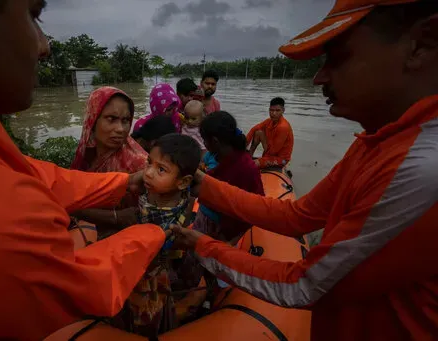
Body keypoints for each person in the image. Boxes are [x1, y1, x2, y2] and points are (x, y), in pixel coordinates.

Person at [171, 1, 438, 340]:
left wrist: (202, 245)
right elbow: (298, 216)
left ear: (420, 46)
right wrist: (202, 184)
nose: (318, 78)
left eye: (338, 57)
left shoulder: (420, 168)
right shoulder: (375, 140)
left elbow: (306, 285)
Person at [0, 1, 168, 340]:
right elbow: (80, 284)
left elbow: (39, 175)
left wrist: (127, 182)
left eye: (126, 120)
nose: (44, 45)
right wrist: (156, 231)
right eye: (33, 15)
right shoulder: (1, 217)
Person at [112, 133, 201, 338]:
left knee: (146, 316)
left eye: (161, 169)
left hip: (150, 275)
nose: (149, 173)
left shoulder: (168, 219)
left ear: (183, 182)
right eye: (149, 163)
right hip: (140, 263)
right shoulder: (157, 188)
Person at [177, 111, 265, 289]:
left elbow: (256, 207)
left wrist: (232, 239)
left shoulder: (246, 167)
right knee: (194, 257)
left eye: (204, 139)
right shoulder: (216, 158)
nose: (204, 143)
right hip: (205, 216)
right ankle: (192, 287)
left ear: (214, 141)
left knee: (213, 260)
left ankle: (206, 291)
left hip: (223, 226)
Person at [69, 87, 148, 242]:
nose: (120, 129)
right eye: (111, 119)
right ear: (92, 120)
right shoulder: (87, 154)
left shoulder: (139, 163)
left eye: (125, 121)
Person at [247, 97, 294, 170]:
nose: (274, 113)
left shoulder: (283, 127)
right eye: (271, 110)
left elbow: (273, 152)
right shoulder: (269, 121)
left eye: (277, 110)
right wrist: (242, 146)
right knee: (258, 132)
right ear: (269, 110)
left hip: (281, 159)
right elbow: (253, 129)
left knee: (249, 165)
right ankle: (249, 156)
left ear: (283, 110)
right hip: (270, 151)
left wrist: (260, 161)